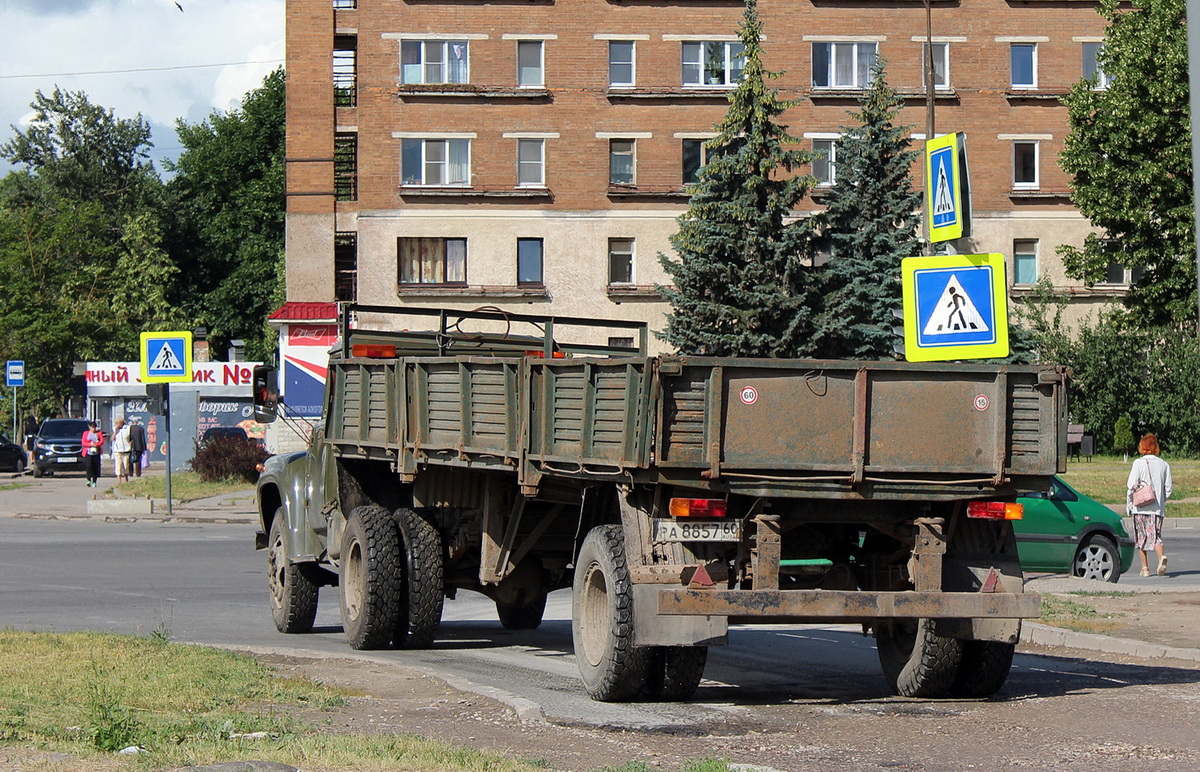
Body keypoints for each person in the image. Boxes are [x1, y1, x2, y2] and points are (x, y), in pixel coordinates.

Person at [1127, 433, 1172, 577]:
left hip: (1140, 507)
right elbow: (1169, 489)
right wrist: (1160, 499)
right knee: (1156, 535)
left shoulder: (1138, 463)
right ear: (1156, 447)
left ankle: (1145, 568)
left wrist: (1129, 502)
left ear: (1142, 446)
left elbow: (1131, 484)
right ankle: (1161, 558)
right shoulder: (1164, 464)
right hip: (1157, 509)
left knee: (1141, 537)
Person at [81, 421, 105, 488]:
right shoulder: (86, 433)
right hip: (88, 452)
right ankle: (88, 480)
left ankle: (94, 481)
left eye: (94, 427)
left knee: (95, 467)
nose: (93, 429)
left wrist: (96, 444)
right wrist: (90, 444)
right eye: (92, 427)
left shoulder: (98, 433)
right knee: (89, 466)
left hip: (96, 452)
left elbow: (102, 441)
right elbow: (83, 442)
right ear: (89, 427)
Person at [111, 418, 132, 483]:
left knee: (126, 465)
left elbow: (131, 437)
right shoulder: (115, 429)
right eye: (116, 423)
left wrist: (130, 444)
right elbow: (112, 439)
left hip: (126, 449)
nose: (117, 425)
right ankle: (119, 480)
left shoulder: (128, 428)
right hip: (118, 450)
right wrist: (115, 432)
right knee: (118, 465)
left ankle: (126, 478)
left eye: (119, 423)